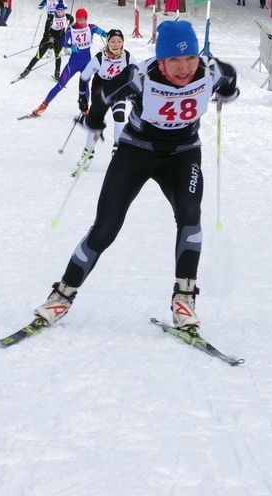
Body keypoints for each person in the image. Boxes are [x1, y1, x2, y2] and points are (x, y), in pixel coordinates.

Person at [32, 19, 240, 332]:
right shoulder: (141, 76)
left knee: (190, 215)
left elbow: (230, 79)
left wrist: (228, 94)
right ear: (160, 60)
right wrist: (95, 123)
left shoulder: (212, 71)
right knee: (105, 229)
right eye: (174, 60)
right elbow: (103, 97)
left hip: (183, 154)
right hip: (136, 152)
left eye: (190, 58)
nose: (184, 68)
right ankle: (62, 295)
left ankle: (184, 301)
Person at [30, 8, 107, 117]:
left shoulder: (92, 27)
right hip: (73, 64)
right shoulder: (71, 29)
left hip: (86, 63)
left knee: (85, 86)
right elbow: (64, 44)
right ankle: (43, 105)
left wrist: (112, 39)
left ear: (86, 18)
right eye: (79, 19)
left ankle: (85, 111)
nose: (81, 22)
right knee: (60, 84)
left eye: (83, 19)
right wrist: (71, 46)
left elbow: (106, 34)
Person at [76, 29, 133, 155]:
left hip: (117, 90)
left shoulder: (127, 57)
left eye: (119, 41)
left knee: (119, 116)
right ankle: (88, 152)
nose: (116, 44)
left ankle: (117, 148)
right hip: (100, 89)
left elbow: (137, 74)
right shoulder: (100, 57)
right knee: (94, 122)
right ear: (107, 42)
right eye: (112, 41)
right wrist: (82, 98)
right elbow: (84, 77)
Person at [19, 0, 69, 80]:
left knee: (58, 56)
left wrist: (71, 22)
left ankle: (57, 74)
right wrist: (49, 37)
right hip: (48, 38)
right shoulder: (51, 19)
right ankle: (27, 69)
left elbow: (71, 19)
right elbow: (46, 31)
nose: (60, 13)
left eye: (61, 11)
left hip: (58, 39)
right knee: (38, 55)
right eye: (58, 11)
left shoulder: (66, 16)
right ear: (56, 11)